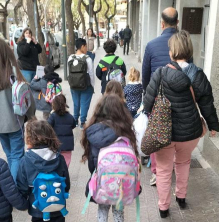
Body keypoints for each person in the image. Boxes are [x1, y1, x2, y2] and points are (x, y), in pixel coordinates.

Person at [143, 30, 219, 218]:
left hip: (164, 134)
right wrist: (213, 126)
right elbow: (207, 104)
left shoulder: (161, 74)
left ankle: (163, 208)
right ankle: (182, 197)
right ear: (190, 51)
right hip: (189, 132)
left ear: (171, 52)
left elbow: (147, 103)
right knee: (184, 163)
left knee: (163, 170)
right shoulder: (198, 75)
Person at [0, 35, 36, 181]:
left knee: (10, 154)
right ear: (5, 51)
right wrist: (31, 116)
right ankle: (15, 188)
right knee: (17, 155)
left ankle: (13, 184)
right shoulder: (11, 72)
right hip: (14, 121)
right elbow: (25, 95)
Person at [81, 94, 139, 222]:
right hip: (122, 183)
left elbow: (92, 163)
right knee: (118, 210)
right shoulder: (126, 130)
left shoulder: (93, 131)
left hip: (103, 181)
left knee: (102, 208)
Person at [142, 7, 179, 186]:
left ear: (162, 23)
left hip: (158, 98)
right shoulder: (184, 43)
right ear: (177, 23)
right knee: (176, 133)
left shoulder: (151, 45)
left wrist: (147, 99)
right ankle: (174, 166)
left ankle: (158, 171)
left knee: (157, 133)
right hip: (180, 98)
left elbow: (146, 76)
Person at [16, 120, 70, 222]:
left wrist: (24, 201)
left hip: (37, 209)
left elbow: (22, 185)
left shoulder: (25, 160)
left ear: (29, 139)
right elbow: (66, 182)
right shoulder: (59, 157)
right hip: (58, 205)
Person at [68, 38, 95, 129]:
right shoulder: (87, 59)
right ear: (82, 46)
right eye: (86, 46)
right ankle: (82, 122)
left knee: (76, 103)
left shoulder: (70, 58)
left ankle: (75, 120)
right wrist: (92, 85)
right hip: (85, 85)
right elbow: (91, 73)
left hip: (73, 85)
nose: (86, 48)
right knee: (84, 103)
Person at [47, 94, 77, 167]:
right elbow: (73, 125)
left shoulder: (53, 116)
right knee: (65, 164)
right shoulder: (70, 117)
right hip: (67, 146)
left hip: (55, 145)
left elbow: (47, 127)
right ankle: (64, 174)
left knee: (56, 164)